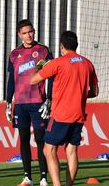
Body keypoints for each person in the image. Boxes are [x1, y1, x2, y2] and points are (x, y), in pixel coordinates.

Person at [30, 31, 98, 186]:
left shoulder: (58, 63)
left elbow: (33, 81)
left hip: (61, 115)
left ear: (62, 46)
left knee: (48, 150)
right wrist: (78, 95)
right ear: (76, 45)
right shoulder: (88, 64)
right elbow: (94, 92)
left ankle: (56, 185)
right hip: (79, 115)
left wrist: (38, 66)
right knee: (72, 151)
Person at [6, 19, 53, 186]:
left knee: (41, 139)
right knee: (24, 138)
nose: (28, 35)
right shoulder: (14, 54)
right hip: (20, 103)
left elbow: (51, 76)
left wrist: (49, 99)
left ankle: (43, 178)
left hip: (38, 102)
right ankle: (27, 177)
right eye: (25, 33)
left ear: (34, 31)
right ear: (19, 35)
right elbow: (11, 80)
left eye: (30, 31)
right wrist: (7, 102)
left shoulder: (43, 50)